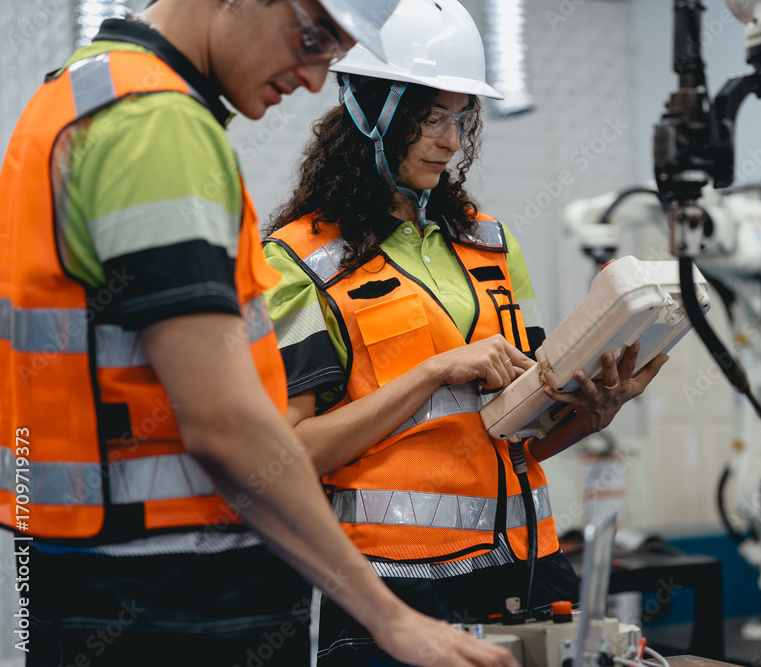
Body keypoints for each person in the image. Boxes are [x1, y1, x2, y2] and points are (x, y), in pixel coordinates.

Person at [0, 1, 518, 665]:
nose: (311, 77)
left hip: (90, 571)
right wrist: (391, 617)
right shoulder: (157, 125)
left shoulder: (73, 94)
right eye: (311, 35)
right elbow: (224, 422)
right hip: (175, 595)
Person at [263, 0, 669, 662]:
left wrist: (591, 415)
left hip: (526, 571)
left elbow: (518, 437)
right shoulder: (299, 262)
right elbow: (292, 455)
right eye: (429, 116)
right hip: (393, 589)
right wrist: (434, 369)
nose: (450, 141)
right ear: (372, 111)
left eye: (459, 117)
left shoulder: (490, 244)